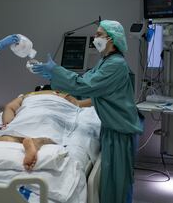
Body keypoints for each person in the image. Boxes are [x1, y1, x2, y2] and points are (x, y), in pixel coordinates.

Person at [32, 20, 143, 203]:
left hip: (119, 131)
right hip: (112, 128)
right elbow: (84, 82)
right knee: (113, 182)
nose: (95, 37)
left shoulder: (115, 65)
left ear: (112, 39)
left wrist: (56, 71)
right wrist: (53, 77)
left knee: (117, 184)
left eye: (99, 34)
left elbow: (85, 85)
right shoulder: (106, 61)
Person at [0, 89, 91, 171]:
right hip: (52, 113)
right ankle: (34, 143)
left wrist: (8, 123)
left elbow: (9, 107)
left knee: (7, 136)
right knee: (46, 137)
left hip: (27, 113)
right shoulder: (65, 96)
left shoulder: (27, 95)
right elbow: (83, 106)